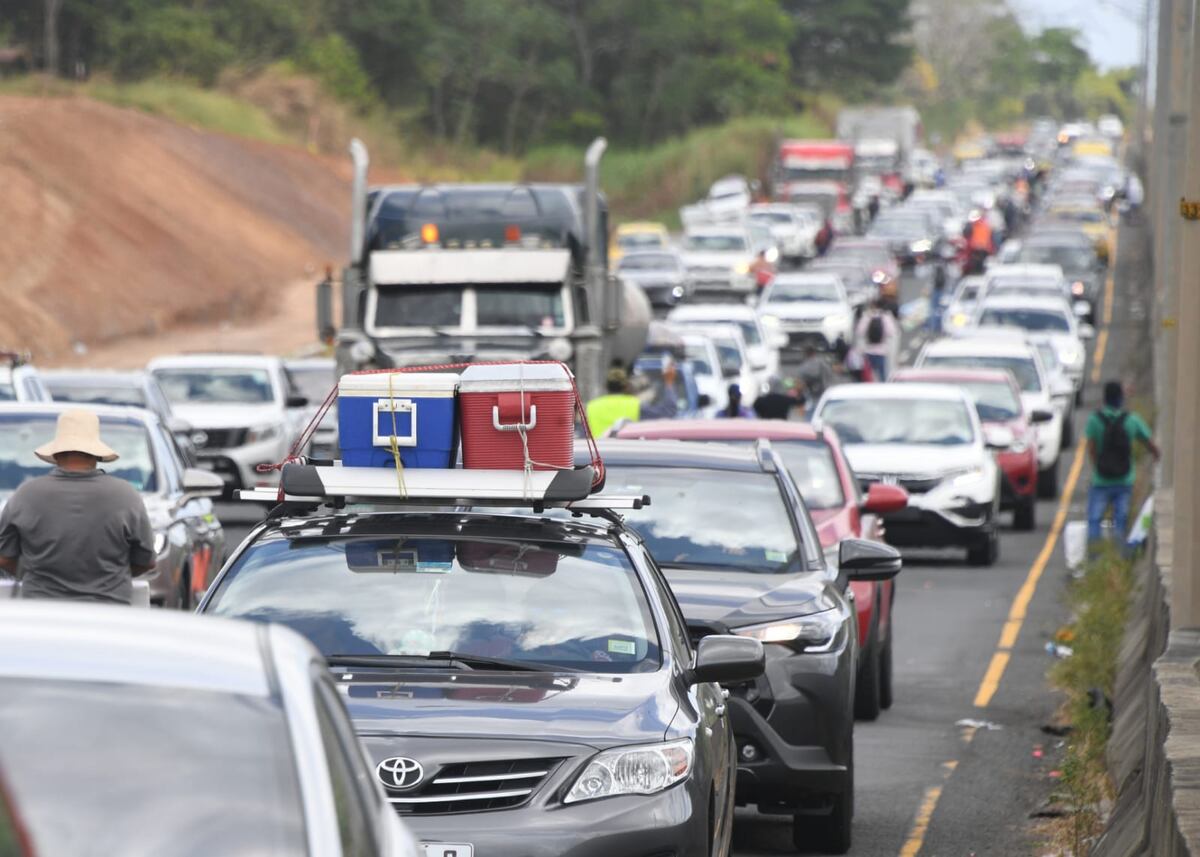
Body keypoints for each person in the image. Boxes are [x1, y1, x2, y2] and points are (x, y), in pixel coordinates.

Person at [0, 409, 155, 604]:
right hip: (110, 614)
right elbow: (146, 561)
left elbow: (4, 558)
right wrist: (110, 577)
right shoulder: (127, 496)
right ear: (96, 455)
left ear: (56, 454)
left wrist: (33, 573)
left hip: (43, 613)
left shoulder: (25, 495)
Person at [1085, 381, 1160, 548]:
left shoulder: (1094, 420)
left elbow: (1091, 448)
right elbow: (1150, 444)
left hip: (1100, 480)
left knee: (1094, 519)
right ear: (1120, 398)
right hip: (1124, 479)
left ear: (1105, 398)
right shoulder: (1131, 420)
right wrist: (1156, 456)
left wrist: (1097, 465)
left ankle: (1094, 555)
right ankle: (1119, 555)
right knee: (1121, 520)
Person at [586, 367, 641, 437]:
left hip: (598, 447)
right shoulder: (636, 403)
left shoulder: (591, 406)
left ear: (606, 386)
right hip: (627, 446)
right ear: (626, 386)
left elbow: (585, 434)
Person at [855, 300, 898, 382]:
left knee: (868, 375)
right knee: (882, 375)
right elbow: (892, 332)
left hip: (868, 351)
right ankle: (883, 391)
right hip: (881, 351)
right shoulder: (886, 317)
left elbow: (859, 331)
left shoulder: (867, 317)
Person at [795, 345, 834, 418]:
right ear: (814, 352)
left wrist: (799, 400)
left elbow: (799, 385)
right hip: (826, 397)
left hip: (811, 399)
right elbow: (830, 376)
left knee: (810, 423)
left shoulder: (803, 367)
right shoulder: (824, 364)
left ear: (806, 353)